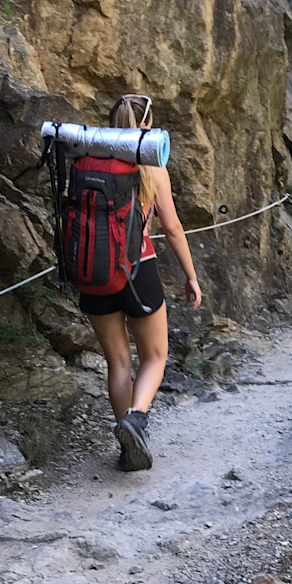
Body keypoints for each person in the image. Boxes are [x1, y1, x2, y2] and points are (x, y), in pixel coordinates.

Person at [75, 93, 202, 471]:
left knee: (118, 362)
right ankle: (137, 419)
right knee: (155, 356)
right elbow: (173, 227)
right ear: (147, 124)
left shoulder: (85, 159)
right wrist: (191, 276)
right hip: (137, 269)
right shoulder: (150, 164)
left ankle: (126, 446)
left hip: (92, 272)